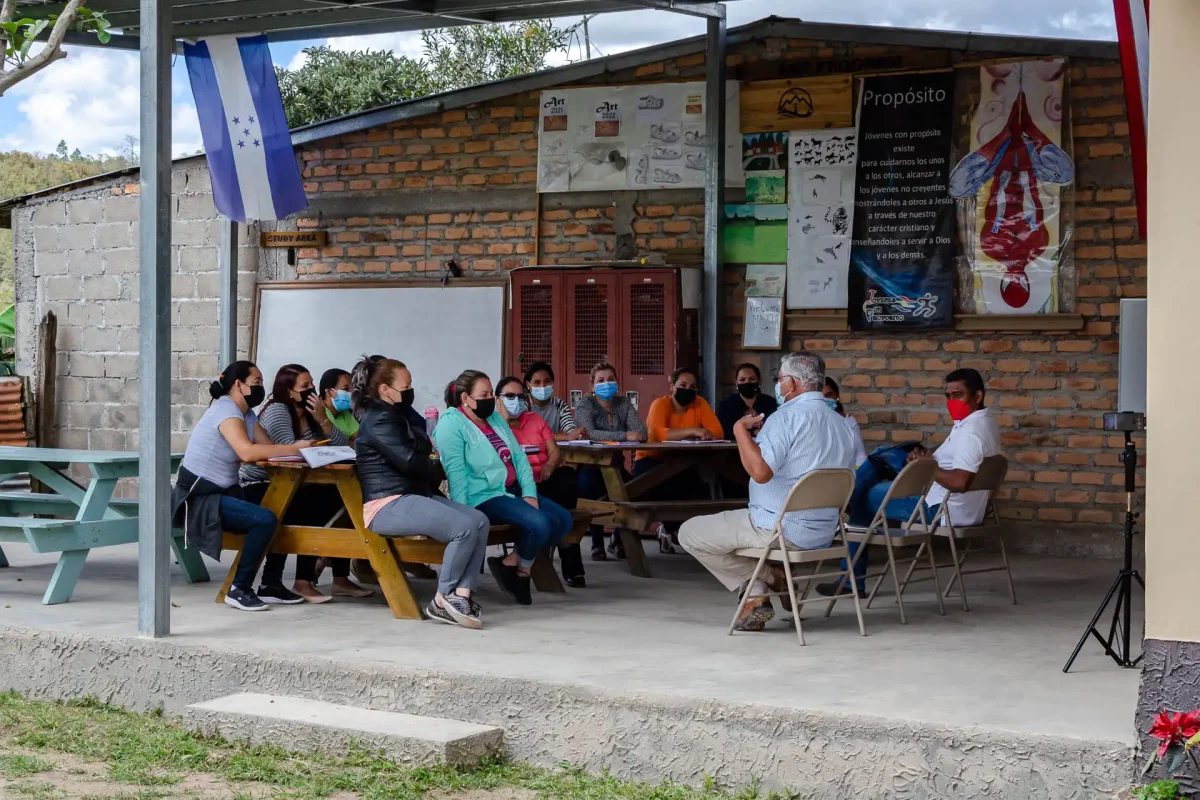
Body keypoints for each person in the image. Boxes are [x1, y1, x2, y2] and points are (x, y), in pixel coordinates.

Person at [678, 352, 856, 631]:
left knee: (690, 532)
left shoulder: (784, 418)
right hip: (824, 531)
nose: (778, 385)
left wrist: (740, 431)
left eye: (780, 380)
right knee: (732, 532)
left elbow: (760, 473)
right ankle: (759, 586)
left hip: (779, 528)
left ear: (793, 384)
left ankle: (767, 578)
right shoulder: (842, 423)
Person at [821, 367, 1002, 596]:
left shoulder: (972, 432)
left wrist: (927, 466)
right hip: (962, 507)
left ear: (978, 396)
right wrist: (926, 456)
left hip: (938, 508)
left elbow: (959, 481)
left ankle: (849, 571)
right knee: (884, 455)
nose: (952, 401)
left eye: (958, 395)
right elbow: (956, 457)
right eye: (948, 396)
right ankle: (848, 502)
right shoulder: (983, 422)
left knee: (864, 495)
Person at [352, 356, 491, 628]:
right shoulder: (379, 418)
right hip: (388, 503)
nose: (410, 390)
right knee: (462, 528)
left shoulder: (398, 413)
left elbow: (426, 442)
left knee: (479, 521)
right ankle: (442, 600)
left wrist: (425, 453)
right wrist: (429, 459)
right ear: (384, 390)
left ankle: (461, 594)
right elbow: (411, 461)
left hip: (413, 495)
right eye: (406, 385)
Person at [170, 361, 315, 612]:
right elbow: (248, 452)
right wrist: (295, 447)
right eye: (256, 383)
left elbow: (267, 449)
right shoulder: (226, 411)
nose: (261, 387)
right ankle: (239, 589)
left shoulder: (246, 413)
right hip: (199, 498)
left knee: (283, 509)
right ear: (238, 385)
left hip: (224, 491)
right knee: (264, 519)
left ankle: (270, 585)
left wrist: (300, 449)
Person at [433, 370, 575, 606]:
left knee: (563, 521)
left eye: (491, 393)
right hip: (482, 496)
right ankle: (523, 573)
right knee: (539, 523)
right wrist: (465, 516)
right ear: (465, 398)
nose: (491, 399)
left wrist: (529, 493)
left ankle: (510, 562)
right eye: (485, 394)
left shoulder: (495, 419)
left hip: (510, 489)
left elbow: (519, 458)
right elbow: (456, 474)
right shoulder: (452, 424)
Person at [239, 364, 372, 604]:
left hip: (296, 484)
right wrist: (315, 448)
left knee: (342, 499)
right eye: (305, 386)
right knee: (311, 507)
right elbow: (289, 456)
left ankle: (325, 577)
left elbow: (340, 445)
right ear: (290, 392)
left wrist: (324, 421)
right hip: (260, 483)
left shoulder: (311, 413)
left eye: (311, 384)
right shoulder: (278, 410)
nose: (311, 390)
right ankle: (294, 580)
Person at [496, 376, 584, 587]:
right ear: (496, 399)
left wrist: (550, 465)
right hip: (516, 487)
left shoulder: (535, 420)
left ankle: (543, 548)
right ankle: (561, 552)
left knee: (567, 479)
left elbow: (554, 451)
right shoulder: (492, 426)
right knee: (551, 516)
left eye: (519, 396)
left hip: (544, 479)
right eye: (509, 396)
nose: (515, 400)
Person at [634, 367, 724, 552]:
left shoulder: (699, 403)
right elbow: (657, 434)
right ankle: (624, 537)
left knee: (699, 489)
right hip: (651, 461)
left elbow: (717, 432)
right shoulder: (660, 404)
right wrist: (692, 431)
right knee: (642, 493)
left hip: (684, 460)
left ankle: (672, 531)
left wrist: (689, 435)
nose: (687, 389)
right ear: (672, 387)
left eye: (692, 387)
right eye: (682, 385)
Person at [572, 362, 647, 560]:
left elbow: (642, 433)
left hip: (614, 465)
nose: (607, 384)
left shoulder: (623, 404)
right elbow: (590, 433)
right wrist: (624, 435)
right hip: (588, 466)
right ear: (592, 385)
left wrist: (631, 434)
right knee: (593, 488)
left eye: (611, 379)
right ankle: (597, 543)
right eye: (601, 380)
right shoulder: (585, 405)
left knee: (637, 489)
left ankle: (617, 539)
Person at [525, 361, 588, 442]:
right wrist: (567, 437)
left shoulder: (559, 405)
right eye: (537, 382)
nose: (542, 386)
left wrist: (579, 434)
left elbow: (570, 429)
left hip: (552, 452)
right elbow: (528, 435)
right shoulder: (523, 405)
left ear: (552, 382)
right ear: (528, 385)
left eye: (547, 381)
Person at [716, 363, 778, 440]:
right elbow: (724, 432)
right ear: (736, 383)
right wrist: (752, 432)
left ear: (759, 381)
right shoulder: (726, 405)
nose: (747, 382)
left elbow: (776, 430)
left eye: (752, 379)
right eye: (742, 380)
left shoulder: (770, 403)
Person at [824, 376, 868, 468]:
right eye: (821, 397)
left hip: (849, 475)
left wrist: (859, 473)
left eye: (829, 395)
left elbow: (860, 456)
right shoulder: (810, 423)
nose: (826, 400)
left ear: (837, 396)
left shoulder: (849, 421)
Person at [319, 368, 359, 440]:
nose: (351, 393)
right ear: (329, 392)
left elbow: (360, 440)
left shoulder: (345, 414)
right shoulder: (320, 414)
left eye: (352, 389)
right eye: (346, 389)